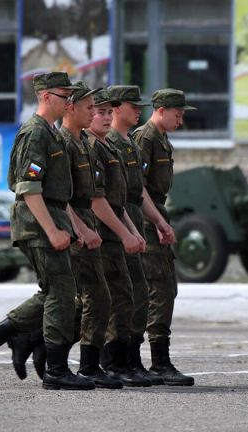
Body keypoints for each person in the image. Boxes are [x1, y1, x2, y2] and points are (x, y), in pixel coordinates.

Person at [0, 71, 95, 391]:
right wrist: (52, 230)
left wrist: (71, 226)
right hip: (37, 223)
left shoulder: (50, 133)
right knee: (61, 293)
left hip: (51, 219)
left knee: (55, 292)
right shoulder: (35, 132)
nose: (69, 101)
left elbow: (57, 191)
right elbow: (28, 188)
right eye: (64, 95)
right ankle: (55, 368)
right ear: (46, 97)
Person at [105, 85, 176, 384]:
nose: (138, 110)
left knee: (146, 293)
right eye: (132, 106)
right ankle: (116, 361)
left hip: (140, 218)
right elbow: (132, 191)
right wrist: (151, 223)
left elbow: (138, 191)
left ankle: (135, 361)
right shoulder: (139, 139)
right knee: (143, 291)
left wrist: (159, 221)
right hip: (130, 221)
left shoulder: (140, 142)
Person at [85, 89, 150, 386]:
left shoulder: (111, 146)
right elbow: (96, 201)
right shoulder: (95, 146)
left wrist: (134, 231)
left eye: (109, 112)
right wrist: (126, 233)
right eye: (101, 112)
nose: (106, 117)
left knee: (126, 295)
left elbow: (120, 199)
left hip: (118, 229)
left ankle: (123, 360)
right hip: (101, 233)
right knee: (103, 298)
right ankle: (109, 362)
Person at [132, 88, 195, 386]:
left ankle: (156, 360)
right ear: (161, 109)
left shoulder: (161, 139)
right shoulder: (145, 138)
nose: (180, 121)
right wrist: (156, 221)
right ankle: (158, 362)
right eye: (178, 114)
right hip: (146, 220)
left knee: (165, 287)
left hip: (155, 215)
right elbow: (137, 188)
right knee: (160, 288)